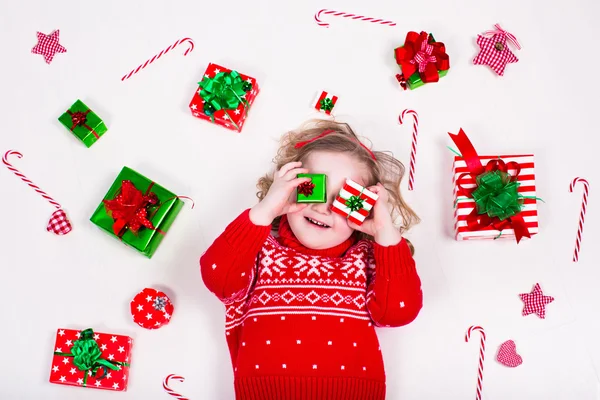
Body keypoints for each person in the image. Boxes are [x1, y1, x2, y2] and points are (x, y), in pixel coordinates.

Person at [200, 119, 423, 400]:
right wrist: (265, 210)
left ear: (363, 211)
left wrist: (386, 235)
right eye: (313, 188)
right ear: (287, 189)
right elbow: (217, 277)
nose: (322, 207)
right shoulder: (260, 249)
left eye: (344, 199)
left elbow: (399, 312)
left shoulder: (366, 260)